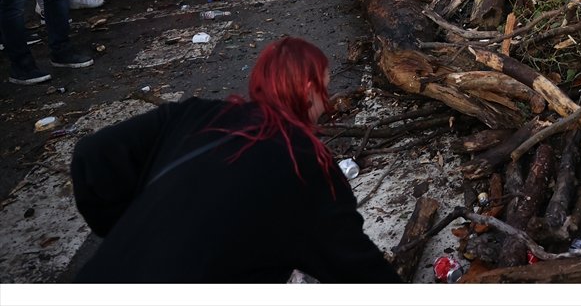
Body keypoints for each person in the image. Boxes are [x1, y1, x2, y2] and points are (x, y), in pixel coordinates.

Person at [69, 36, 401, 282]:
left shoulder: (194, 115)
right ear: (308, 90)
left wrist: (133, 230)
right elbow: (361, 271)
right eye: (325, 92)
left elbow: (91, 155)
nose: (326, 107)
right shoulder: (306, 167)